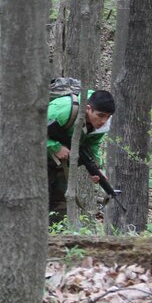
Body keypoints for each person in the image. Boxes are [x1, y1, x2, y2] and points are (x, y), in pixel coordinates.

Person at [46, 89, 115, 225]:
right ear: (88, 109)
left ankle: (54, 238)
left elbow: (92, 145)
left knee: (60, 204)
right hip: (32, 156)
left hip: (59, 163)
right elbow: (29, 128)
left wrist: (96, 167)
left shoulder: (103, 124)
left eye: (108, 116)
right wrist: (55, 146)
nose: (103, 121)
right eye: (100, 115)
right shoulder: (63, 110)